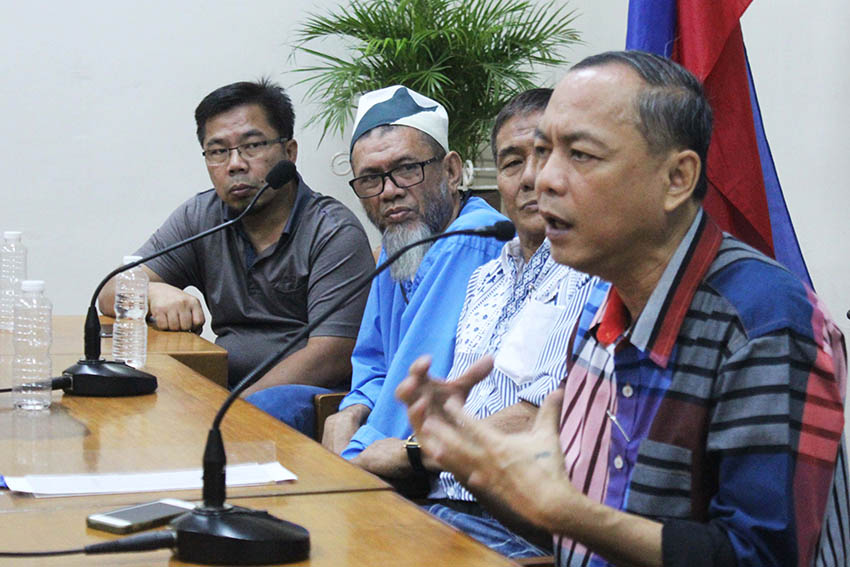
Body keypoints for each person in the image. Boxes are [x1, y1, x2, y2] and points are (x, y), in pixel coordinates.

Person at [398, 51, 848, 567]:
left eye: (581, 155)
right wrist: (476, 465)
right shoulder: (604, 319)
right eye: (543, 151)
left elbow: (762, 559)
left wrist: (570, 515)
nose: (544, 180)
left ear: (677, 178)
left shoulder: (766, 324)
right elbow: (575, 534)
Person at [98, 80, 375, 419]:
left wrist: (232, 407)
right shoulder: (202, 216)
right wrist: (152, 292)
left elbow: (332, 353)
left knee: (268, 407)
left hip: (302, 396)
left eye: (252, 146)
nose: (235, 164)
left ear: (290, 152)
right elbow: (110, 292)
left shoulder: (332, 230)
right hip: (225, 386)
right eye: (218, 151)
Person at [417, 88, 598, 559]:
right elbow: (460, 400)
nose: (531, 177)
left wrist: (418, 452)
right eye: (512, 162)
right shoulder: (485, 277)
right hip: (440, 503)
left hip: (518, 527)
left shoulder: (596, 275)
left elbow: (539, 415)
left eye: (544, 154)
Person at [320, 85, 507, 468]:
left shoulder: (471, 240)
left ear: (451, 171)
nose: (389, 192)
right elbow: (374, 363)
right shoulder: (400, 243)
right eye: (371, 179)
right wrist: (351, 410)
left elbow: (414, 389)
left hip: (450, 464)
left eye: (407, 169)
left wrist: (347, 463)